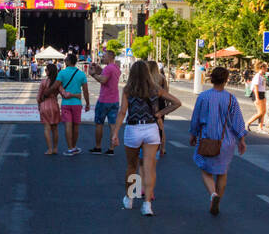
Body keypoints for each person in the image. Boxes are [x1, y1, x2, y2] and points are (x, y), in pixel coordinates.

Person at [112, 58, 181, 216]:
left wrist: (115, 132)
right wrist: (160, 113)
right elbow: (177, 102)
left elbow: (122, 112)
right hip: (151, 128)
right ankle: (147, 205)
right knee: (149, 168)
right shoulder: (155, 89)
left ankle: (130, 198)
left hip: (133, 128)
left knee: (132, 166)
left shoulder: (128, 89)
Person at [190, 66, 248, 216]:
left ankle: (212, 194)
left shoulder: (203, 97)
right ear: (226, 80)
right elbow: (238, 121)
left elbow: (196, 118)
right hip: (226, 142)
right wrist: (241, 139)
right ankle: (216, 202)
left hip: (207, 139)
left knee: (204, 169)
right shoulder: (231, 98)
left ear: (212, 78)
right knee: (222, 173)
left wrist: (193, 134)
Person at [51, 52, 91, 155]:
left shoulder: (62, 73)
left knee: (68, 125)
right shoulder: (81, 74)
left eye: (65, 60)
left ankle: (70, 148)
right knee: (76, 126)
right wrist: (87, 103)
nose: (64, 61)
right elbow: (85, 91)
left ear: (68, 62)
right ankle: (74, 146)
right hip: (77, 103)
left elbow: (55, 86)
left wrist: (48, 94)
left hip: (66, 103)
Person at [88, 50, 120, 154]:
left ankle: (98, 147)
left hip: (104, 100)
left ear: (110, 57)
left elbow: (103, 79)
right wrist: (98, 68)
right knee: (112, 125)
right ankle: (111, 148)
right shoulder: (115, 68)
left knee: (99, 123)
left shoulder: (108, 68)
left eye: (104, 56)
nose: (103, 58)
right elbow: (105, 74)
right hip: (114, 100)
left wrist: (93, 74)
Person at [37, 61, 62, 155]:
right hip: (54, 105)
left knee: (47, 128)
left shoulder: (44, 82)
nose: (45, 71)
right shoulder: (57, 83)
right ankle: (55, 148)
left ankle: (49, 149)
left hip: (44, 105)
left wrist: (39, 105)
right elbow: (63, 93)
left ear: (48, 72)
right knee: (55, 129)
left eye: (46, 69)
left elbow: (38, 97)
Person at [245, 61, 268, 131]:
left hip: (262, 93)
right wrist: (257, 98)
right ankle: (248, 123)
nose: (266, 69)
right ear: (262, 68)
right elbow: (256, 87)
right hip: (257, 93)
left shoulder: (262, 76)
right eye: (265, 67)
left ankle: (260, 127)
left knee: (263, 112)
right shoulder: (257, 76)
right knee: (260, 112)